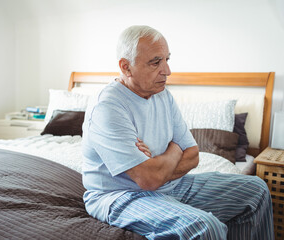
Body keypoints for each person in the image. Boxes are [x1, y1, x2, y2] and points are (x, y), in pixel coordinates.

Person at [81, 25, 274, 239]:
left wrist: (157, 166)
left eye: (167, 60)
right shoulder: (108, 106)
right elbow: (148, 179)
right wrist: (174, 150)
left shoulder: (163, 95)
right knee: (204, 226)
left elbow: (192, 154)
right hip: (120, 196)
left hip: (172, 185)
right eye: (155, 62)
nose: (167, 71)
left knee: (256, 190)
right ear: (126, 67)